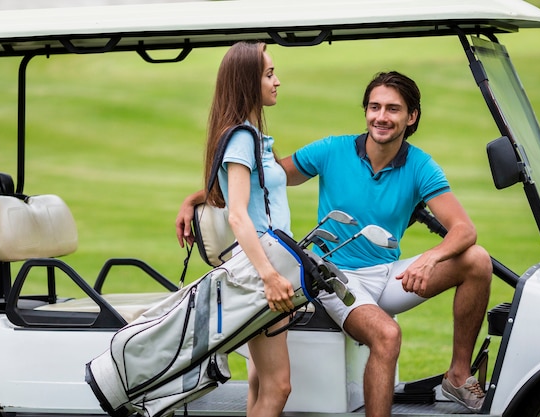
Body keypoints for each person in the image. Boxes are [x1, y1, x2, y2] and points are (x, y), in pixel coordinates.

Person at [177, 71, 492, 415]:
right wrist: (196, 198)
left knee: (477, 260)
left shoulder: (420, 166)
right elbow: (262, 178)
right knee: (386, 336)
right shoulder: (332, 150)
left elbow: (464, 229)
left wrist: (431, 258)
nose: (381, 117)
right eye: (374, 107)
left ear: (411, 117)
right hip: (335, 276)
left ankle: (458, 376)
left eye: (392, 109)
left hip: (388, 275)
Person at [181, 41, 295, 417]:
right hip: (262, 269)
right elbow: (238, 215)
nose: (277, 81)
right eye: (269, 74)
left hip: (269, 263)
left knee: (259, 381)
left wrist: (191, 200)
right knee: (278, 386)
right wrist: (271, 277)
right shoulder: (243, 137)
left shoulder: (247, 134)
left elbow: (226, 193)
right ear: (248, 82)